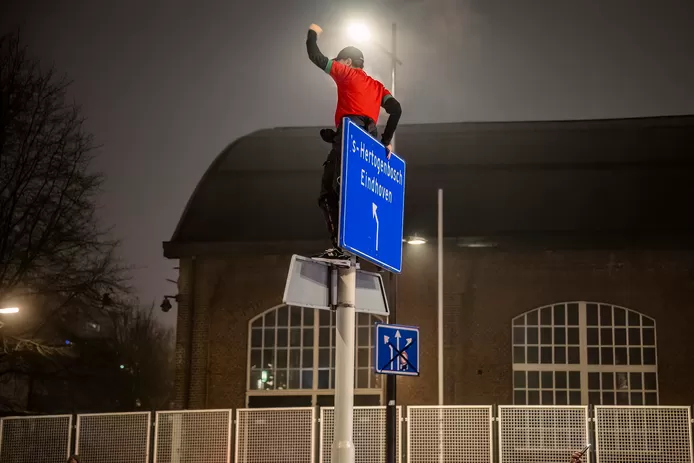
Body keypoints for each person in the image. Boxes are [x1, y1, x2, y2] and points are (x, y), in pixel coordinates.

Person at [305, 23, 403, 259]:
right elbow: (396, 109)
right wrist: (385, 140)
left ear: (347, 62)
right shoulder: (377, 86)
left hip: (350, 135)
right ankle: (362, 246)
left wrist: (312, 32)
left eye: (339, 60)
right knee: (353, 188)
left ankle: (342, 247)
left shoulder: (345, 73)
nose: (336, 64)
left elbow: (314, 54)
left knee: (330, 191)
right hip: (366, 139)